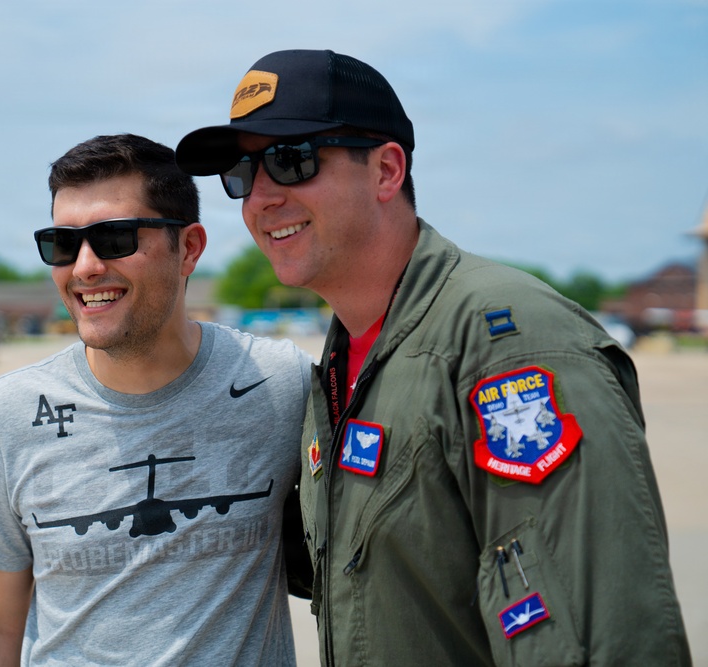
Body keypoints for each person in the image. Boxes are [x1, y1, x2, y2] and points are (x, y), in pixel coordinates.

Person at [175, 49, 692, 666]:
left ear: (386, 171)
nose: (259, 197)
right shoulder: (343, 365)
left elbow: (600, 632)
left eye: (291, 160)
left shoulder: (508, 343)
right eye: (241, 172)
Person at [0, 133, 313, 666]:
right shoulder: (11, 413)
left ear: (189, 248)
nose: (84, 267)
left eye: (114, 238)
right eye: (62, 244)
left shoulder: (278, 383)